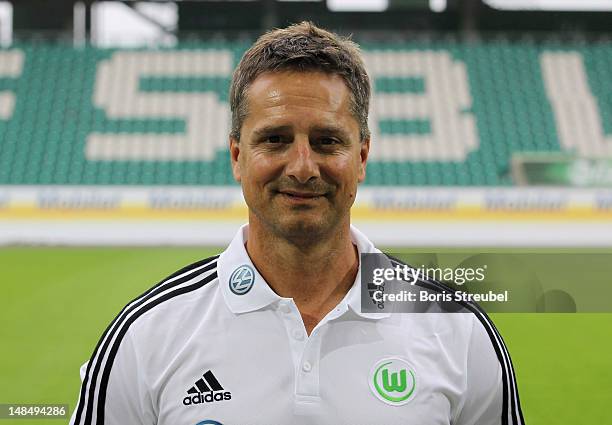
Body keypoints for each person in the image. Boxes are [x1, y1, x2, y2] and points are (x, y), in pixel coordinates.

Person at [70, 22, 524, 425]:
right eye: (275, 139)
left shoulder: (458, 329)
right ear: (237, 156)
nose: (303, 167)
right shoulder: (145, 334)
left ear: (361, 157)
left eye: (327, 141)